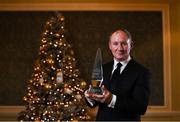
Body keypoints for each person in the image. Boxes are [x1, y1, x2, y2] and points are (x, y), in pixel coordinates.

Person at [85, 29, 151, 121]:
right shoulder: (103, 68)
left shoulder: (142, 72)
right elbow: (94, 103)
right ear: (110, 46)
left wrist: (111, 99)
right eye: (115, 43)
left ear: (131, 45)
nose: (119, 48)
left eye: (123, 43)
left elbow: (141, 107)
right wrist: (90, 97)